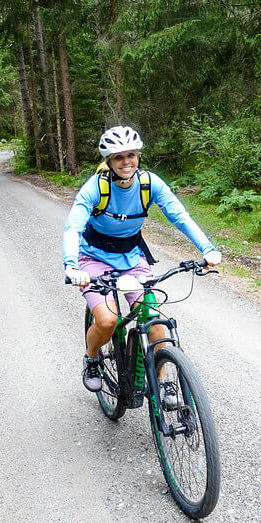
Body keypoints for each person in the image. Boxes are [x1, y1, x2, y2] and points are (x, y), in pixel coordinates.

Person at [63, 125, 221, 399]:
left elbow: (179, 216)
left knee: (155, 320)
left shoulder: (149, 184)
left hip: (132, 258)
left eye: (131, 155)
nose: (126, 162)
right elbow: (73, 227)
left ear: (138, 156)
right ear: (109, 161)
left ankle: (162, 381)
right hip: (93, 258)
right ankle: (92, 358)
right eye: (119, 157)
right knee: (108, 320)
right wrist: (71, 265)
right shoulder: (96, 187)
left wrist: (207, 249)